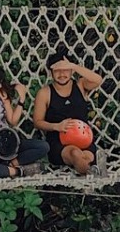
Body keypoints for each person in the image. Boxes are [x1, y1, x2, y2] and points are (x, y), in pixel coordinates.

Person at [30, 49, 105, 177]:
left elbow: (98, 80)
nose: (62, 74)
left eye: (65, 69)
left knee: (85, 155)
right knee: (75, 153)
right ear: (51, 73)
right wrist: (56, 126)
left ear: (71, 71)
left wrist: (73, 65)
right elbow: (37, 122)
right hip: (59, 141)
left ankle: (89, 170)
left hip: (84, 139)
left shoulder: (81, 85)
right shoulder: (45, 93)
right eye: (57, 71)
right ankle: (92, 174)